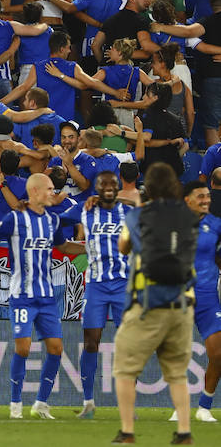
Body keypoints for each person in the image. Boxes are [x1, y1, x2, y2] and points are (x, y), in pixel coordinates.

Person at [113, 165, 201, 444]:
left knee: (125, 370)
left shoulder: (139, 216)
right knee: (177, 374)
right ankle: (184, 432)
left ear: (147, 187)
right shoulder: (188, 218)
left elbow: (123, 247)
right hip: (182, 304)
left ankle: (127, 431)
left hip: (147, 305)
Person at [0, 172, 78, 420]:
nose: (54, 192)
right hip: (22, 295)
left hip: (47, 297)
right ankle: (15, 403)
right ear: (36, 191)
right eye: (50, 189)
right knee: (23, 348)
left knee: (56, 348)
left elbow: (62, 247)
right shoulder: (14, 219)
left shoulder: (53, 220)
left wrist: (89, 248)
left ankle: (40, 403)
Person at [76, 171, 133, 420]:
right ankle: (88, 402)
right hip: (96, 285)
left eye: (112, 184)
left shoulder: (129, 213)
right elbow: (52, 210)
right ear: (96, 189)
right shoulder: (84, 209)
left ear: (118, 186)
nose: (108, 187)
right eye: (103, 184)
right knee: (91, 342)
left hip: (123, 285)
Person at [185, 179, 221, 424]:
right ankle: (180, 404)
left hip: (207, 296)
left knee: (218, 353)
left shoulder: (216, 225)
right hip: (179, 295)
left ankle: (204, 406)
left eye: (208, 196)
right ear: (187, 200)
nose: (206, 200)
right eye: (201, 196)